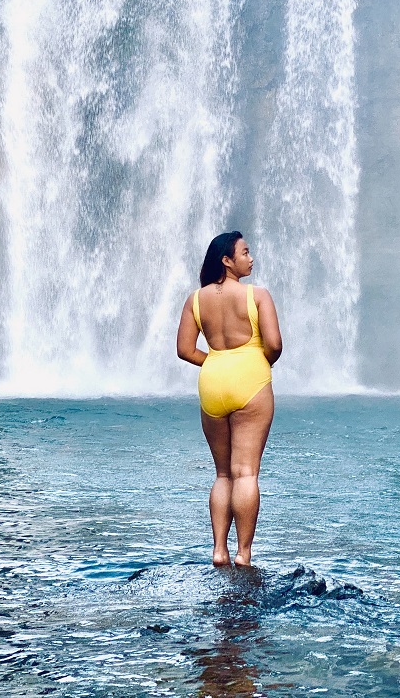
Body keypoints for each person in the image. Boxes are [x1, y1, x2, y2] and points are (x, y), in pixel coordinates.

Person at [177, 231, 282, 567]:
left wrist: (214, 361)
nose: (251, 258)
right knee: (246, 473)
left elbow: (184, 349)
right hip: (250, 378)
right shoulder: (258, 295)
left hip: (212, 379)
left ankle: (218, 550)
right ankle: (243, 553)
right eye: (245, 252)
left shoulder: (195, 299)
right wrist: (258, 361)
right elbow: (275, 345)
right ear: (227, 260)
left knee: (223, 474)